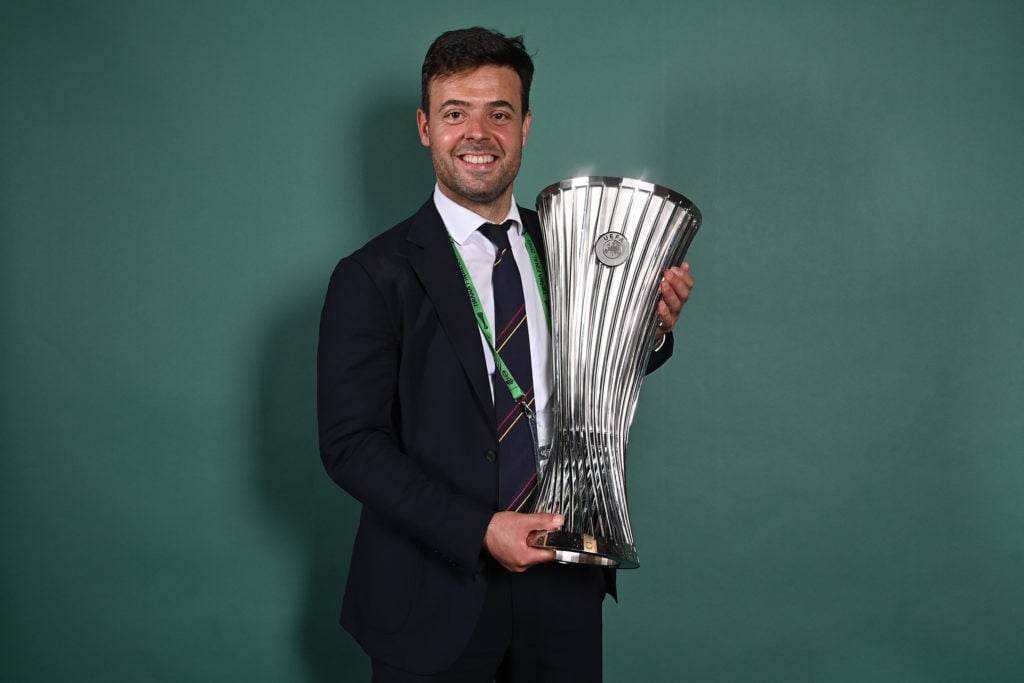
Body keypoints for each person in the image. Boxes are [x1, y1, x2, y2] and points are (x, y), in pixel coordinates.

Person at [317, 27, 694, 682]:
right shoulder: (372, 275)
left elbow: (594, 375)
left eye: (499, 112)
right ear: (425, 127)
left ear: (525, 124)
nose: (478, 133)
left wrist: (652, 330)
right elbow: (351, 444)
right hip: (429, 592)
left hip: (565, 578)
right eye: (455, 112)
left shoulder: (567, 246)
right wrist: (480, 528)